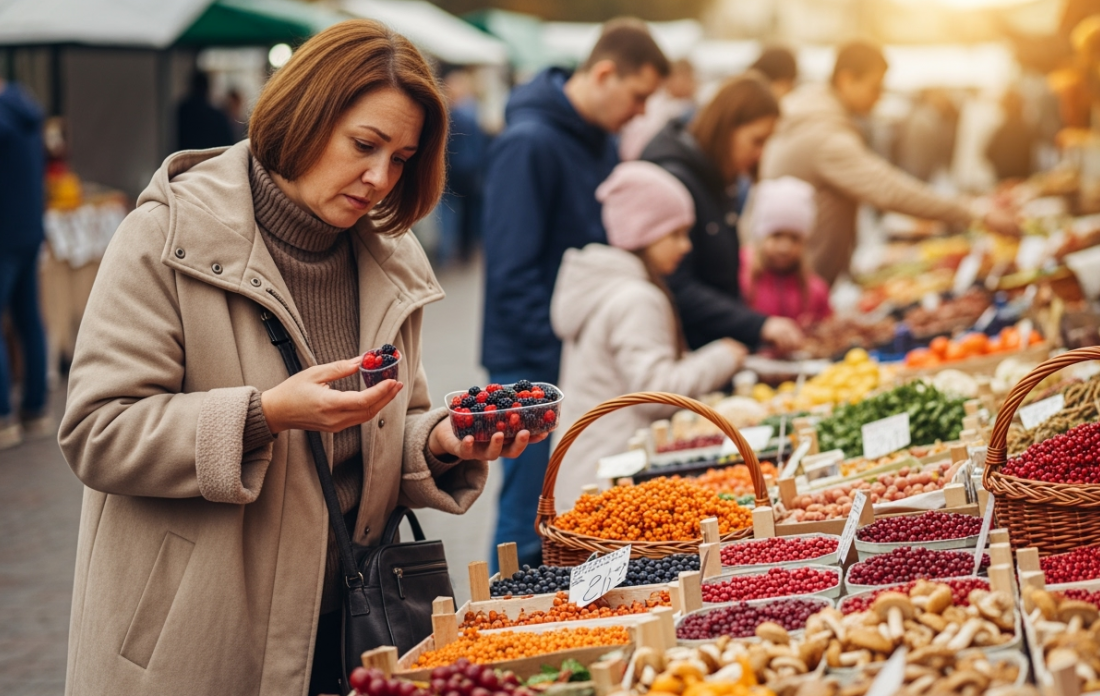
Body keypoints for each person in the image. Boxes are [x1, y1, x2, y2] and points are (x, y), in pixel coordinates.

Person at [57, 21, 541, 696]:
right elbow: (98, 432)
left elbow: (387, 428)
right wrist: (265, 416)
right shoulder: (163, 236)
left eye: (401, 158)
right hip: (201, 635)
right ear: (305, 115)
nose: (379, 178)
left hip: (355, 630)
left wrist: (439, 441)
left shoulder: (388, 258)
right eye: (365, 145)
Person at [481, 19, 669, 570]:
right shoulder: (527, 144)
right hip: (531, 365)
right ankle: (502, 622)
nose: (641, 112)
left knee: (565, 504)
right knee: (527, 511)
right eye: (639, 96)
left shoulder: (599, 142)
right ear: (605, 73)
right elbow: (511, 275)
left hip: (572, 356)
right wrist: (554, 362)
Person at [550, 162, 746, 510]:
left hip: (588, 472)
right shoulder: (637, 298)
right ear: (643, 233)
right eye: (675, 234)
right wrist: (723, 357)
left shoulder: (604, 286)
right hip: (612, 480)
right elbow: (656, 391)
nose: (686, 246)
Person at [761, 41, 1019, 285]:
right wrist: (975, 212)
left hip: (796, 277)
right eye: (875, 87)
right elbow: (888, 189)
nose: (880, 97)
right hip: (793, 284)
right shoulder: (824, 134)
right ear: (846, 80)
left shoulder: (816, 112)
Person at [640, 75, 804, 355]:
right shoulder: (678, 180)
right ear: (728, 127)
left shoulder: (718, 180)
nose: (759, 153)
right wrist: (756, 325)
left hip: (716, 351)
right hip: (687, 355)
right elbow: (676, 285)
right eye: (757, 141)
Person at [0, 77, 49, 450]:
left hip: (1, 234)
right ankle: (35, 409)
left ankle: (1, 416)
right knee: (29, 319)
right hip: (29, 230)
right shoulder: (25, 108)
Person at [740, 177, 832, 328]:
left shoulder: (816, 291)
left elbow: (828, 328)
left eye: (794, 238)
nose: (785, 247)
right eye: (776, 235)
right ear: (761, 236)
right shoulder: (741, 275)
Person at [437, 67, 489, 264]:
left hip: (455, 172)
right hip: (466, 171)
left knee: (450, 214)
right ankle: (460, 251)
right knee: (462, 214)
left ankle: (448, 253)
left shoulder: (455, 114)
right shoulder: (470, 113)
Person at [619, 58, 698, 160]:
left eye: (690, 79)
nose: (691, 84)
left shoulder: (688, 109)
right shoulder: (655, 102)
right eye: (686, 78)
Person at [176, 69, 235, 151]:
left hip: (187, 157)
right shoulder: (215, 115)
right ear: (207, 88)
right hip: (208, 158)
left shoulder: (183, 110)